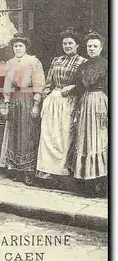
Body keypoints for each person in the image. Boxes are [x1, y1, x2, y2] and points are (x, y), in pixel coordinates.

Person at [36, 27, 87, 179]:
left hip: (70, 102)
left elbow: (84, 85)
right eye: (65, 43)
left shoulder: (82, 62)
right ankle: (46, 170)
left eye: (70, 43)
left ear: (77, 45)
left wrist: (73, 88)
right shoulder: (57, 60)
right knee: (48, 135)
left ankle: (62, 171)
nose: (67, 46)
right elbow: (48, 82)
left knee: (64, 136)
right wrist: (43, 101)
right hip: (53, 100)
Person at [0, 33, 45, 185]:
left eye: (20, 46)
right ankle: (17, 169)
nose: (18, 48)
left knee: (28, 133)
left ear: (26, 47)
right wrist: (6, 104)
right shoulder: (10, 63)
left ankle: (28, 171)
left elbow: (39, 83)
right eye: (15, 46)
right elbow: (7, 84)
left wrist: (36, 105)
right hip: (15, 99)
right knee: (15, 133)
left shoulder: (33, 61)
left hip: (28, 98)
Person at [69, 31, 108, 195]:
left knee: (99, 139)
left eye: (95, 46)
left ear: (101, 48)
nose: (92, 49)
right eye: (89, 46)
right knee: (84, 139)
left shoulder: (106, 64)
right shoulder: (83, 66)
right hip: (85, 103)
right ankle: (87, 182)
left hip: (99, 102)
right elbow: (79, 87)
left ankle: (101, 181)